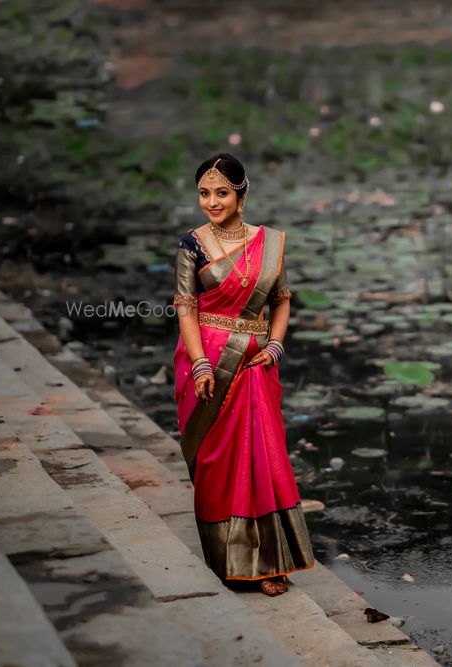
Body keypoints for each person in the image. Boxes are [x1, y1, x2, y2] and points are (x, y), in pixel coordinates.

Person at [172, 153, 315, 596]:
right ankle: (230, 560)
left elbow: (283, 298)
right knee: (217, 460)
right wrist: (198, 364)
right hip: (209, 360)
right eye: (204, 193)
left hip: (255, 364)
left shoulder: (269, 243)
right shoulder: (191, 244)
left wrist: (275, 344)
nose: (211, 201)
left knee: (264, 458)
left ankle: (271, 561)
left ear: (241, 194)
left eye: (221, 192)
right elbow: (186, 306)